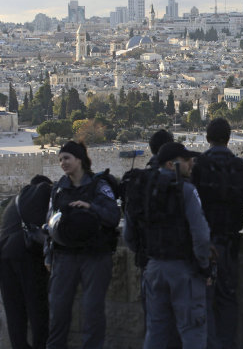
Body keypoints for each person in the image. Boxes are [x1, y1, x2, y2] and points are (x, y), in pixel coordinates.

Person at [124, 142, 212, 349]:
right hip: (184, 270)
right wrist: (203, 266)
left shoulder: (141, 189)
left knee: (156, 331)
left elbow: (129, 233)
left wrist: (147, 256)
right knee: (192, 331)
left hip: (154, 268)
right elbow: (201, 235)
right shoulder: (187, 191)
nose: (192, 163)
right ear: (172, 165)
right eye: (186, 159)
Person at [45, 141, 120, 349]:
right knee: (58, 310)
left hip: (95, 256)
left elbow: (113, 216)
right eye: (60, 159)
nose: (63, 163)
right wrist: (48, 256)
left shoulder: (99, 186)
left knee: (92, 310)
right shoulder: (59, 188)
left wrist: (91, 207)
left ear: (79, 159)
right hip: (64, 257)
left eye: (66, 158)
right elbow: (50, 224)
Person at [191, 118, 243, 349]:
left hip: (204, 245)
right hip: (230, 243)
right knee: (228, 299)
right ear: (229, 138)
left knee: (205, 301)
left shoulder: (197, 166)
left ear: (207, 138)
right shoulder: (241, 167)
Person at [122, 128, 181, 348]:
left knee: (155, 325)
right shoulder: (183, 178)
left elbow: (129, 232)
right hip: (182, 264)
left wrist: (141, 253)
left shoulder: (138, 181)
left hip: (149, 262)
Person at [0, 175, 52, 349]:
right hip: (26, 255)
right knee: (36, 306)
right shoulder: (43, 190)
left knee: (14, 309)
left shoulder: (13, 202)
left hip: (4, 254)